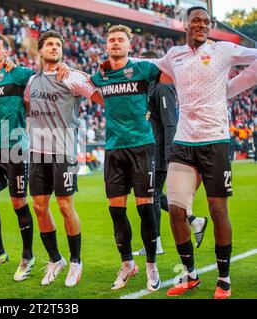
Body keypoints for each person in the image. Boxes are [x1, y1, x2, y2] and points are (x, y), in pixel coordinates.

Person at [153, 6, 257, 299]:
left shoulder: (223, 50)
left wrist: (232, 87)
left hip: (215, 141)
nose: (201, 24)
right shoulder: (174, 55)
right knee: (176, 209)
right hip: (184, 142)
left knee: (217, 209)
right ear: (185, 25)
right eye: (196, 20)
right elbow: (149, 64)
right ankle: (190, 275)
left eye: (206, 21)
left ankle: (223, 279)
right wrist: (112, 65)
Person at [0, 34, 69, 281]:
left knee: (18, 203)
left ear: (7, 51)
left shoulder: (21, 73)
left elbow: (45, 75)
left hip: (16, 146)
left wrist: (62, 67)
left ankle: (28, 257)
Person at [92, 24, 170, 292]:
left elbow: (171, 76)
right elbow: (82, 84)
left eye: (120, 40)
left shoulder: (143, 69)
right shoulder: (100, 75)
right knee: (116, 211)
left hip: (141, 147)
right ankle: (127, 264)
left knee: (145, 208)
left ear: (129, 45)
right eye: (111, 40)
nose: (115, 43)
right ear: (106, 46)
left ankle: (151, 265)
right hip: (114, 149)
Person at [24, 30, 102, 287]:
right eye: (49, 44)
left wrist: (80, 70)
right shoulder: (31, 81)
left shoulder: (71, 77)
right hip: (37, 152)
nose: (54, 48)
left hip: (64, 151)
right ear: (41, 50)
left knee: (65, 207)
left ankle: (76, 261)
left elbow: (100, 94)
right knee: (38, 207)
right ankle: (55, 259)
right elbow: (27, 106)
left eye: (58, 45)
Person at [133, 51, 208, 257]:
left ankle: (155, 243)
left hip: (161, 153)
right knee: (153, 195)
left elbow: (169, 123)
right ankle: (193, 219)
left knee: (151, 196)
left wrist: (170, 156)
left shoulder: (163, 87)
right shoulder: (148, 87)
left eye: (144, 64)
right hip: (150, 151)